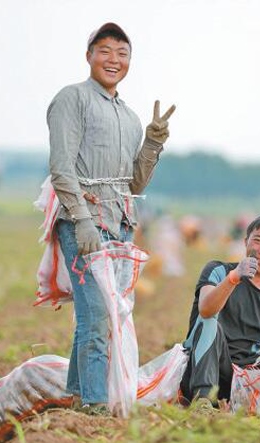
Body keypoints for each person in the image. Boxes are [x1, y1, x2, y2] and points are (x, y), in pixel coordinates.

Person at [47, 22, 175, 412]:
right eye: (104, 51)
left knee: (105, 313)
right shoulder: (72, 99)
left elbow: (134, 183)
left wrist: (153, 142)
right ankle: (95, 405)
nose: (113, 60)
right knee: (97, 315)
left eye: (122, 53)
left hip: (120, 224)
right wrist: (81, 219)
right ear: (89, 56)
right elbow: (61, 168)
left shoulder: (131, 118)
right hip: (85, 221)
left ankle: (77, 394)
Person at [179, 214, 260, 413]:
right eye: (257, 240)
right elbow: (206, 310)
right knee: (209, 322)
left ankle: (242, 402)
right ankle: (203, 400)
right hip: (203, 368)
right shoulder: (219, 271)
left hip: (243, 376)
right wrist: (234, 278)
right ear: (245, 242)